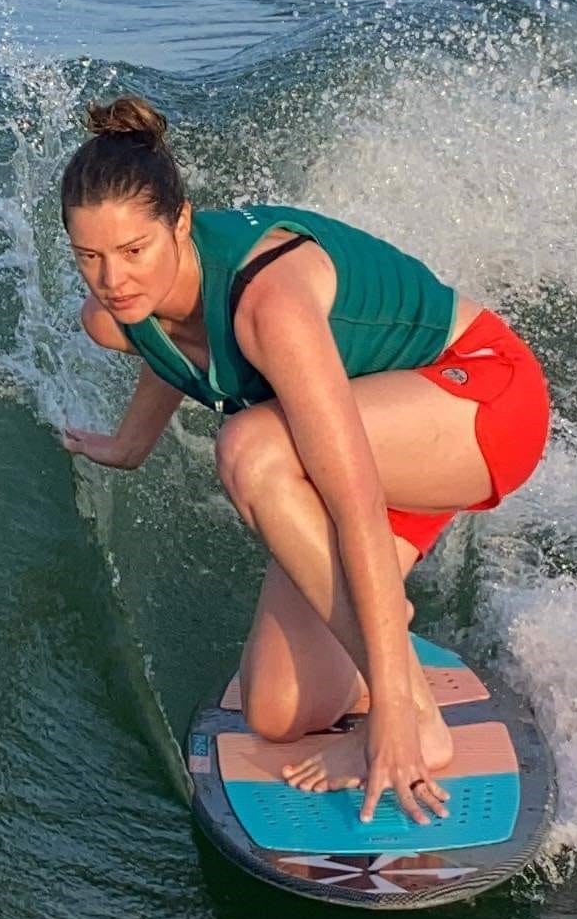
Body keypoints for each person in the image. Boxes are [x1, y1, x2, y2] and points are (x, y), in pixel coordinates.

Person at [57, 97, 550, 828]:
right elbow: (180, 345)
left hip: (477, 403)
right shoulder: (116, 316)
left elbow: (352, 499)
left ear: (182, 222)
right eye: (89, 257)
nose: (113, 279)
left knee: (249, 448)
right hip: (369, 437)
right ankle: (384, 630)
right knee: (278, 711)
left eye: (134, 251)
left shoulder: (269, 305)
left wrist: (391, 709)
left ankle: (416, 715)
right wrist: (131, 443)